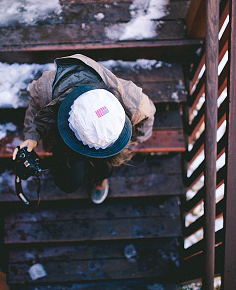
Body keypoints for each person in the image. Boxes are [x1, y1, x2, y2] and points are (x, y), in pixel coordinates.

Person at [13, 54, 155, 204]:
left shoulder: (133, 100)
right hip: (65, 141)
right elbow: (35, 106)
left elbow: (148, 115)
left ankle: (100, 178)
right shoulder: (47, 89)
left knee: (106, 166)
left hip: (109, 137)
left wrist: (134, 138)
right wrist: (31, 136)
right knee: (67, 182)